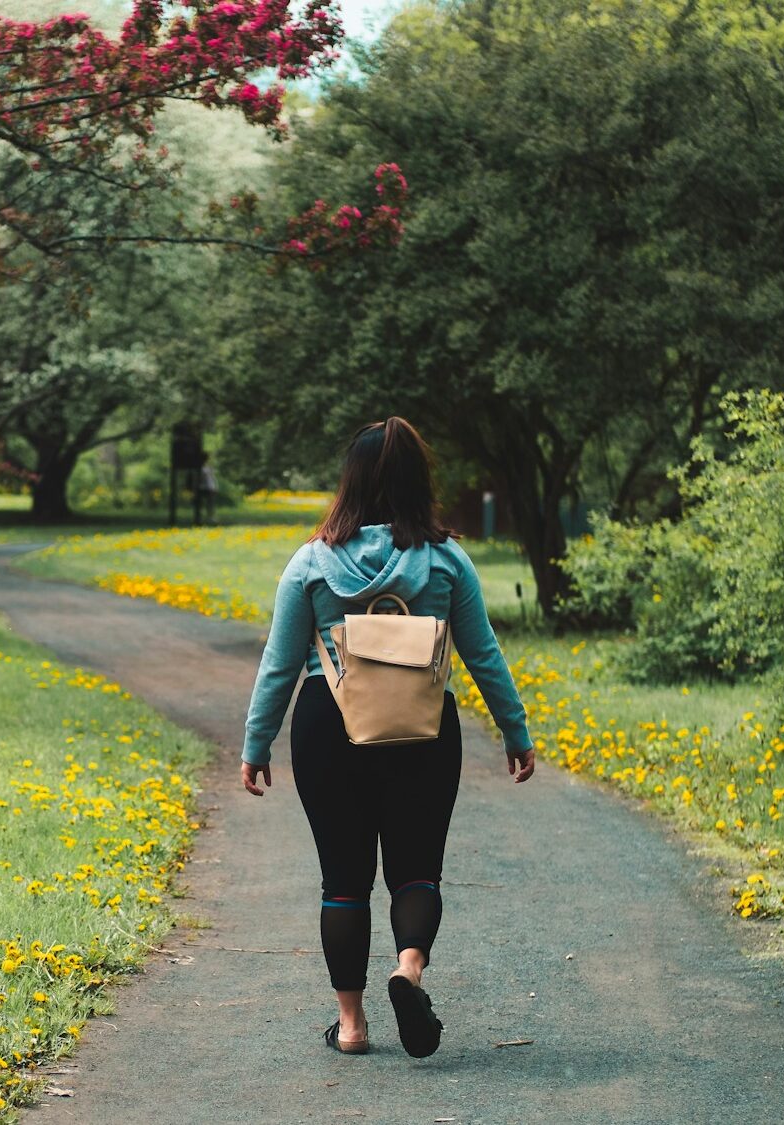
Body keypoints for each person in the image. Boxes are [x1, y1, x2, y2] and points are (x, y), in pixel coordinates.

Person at [239, 417, 535, 1059]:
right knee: (416, 870)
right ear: (415, 482)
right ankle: (408, 971)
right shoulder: (446, 559)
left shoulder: (312, 561)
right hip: (423, 727)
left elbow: (281, 662)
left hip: (328, 725)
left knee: (343, 881)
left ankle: (350, 1026)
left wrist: (256, 743)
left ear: (351, 482)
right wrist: (515, 731)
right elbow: (484, 654)